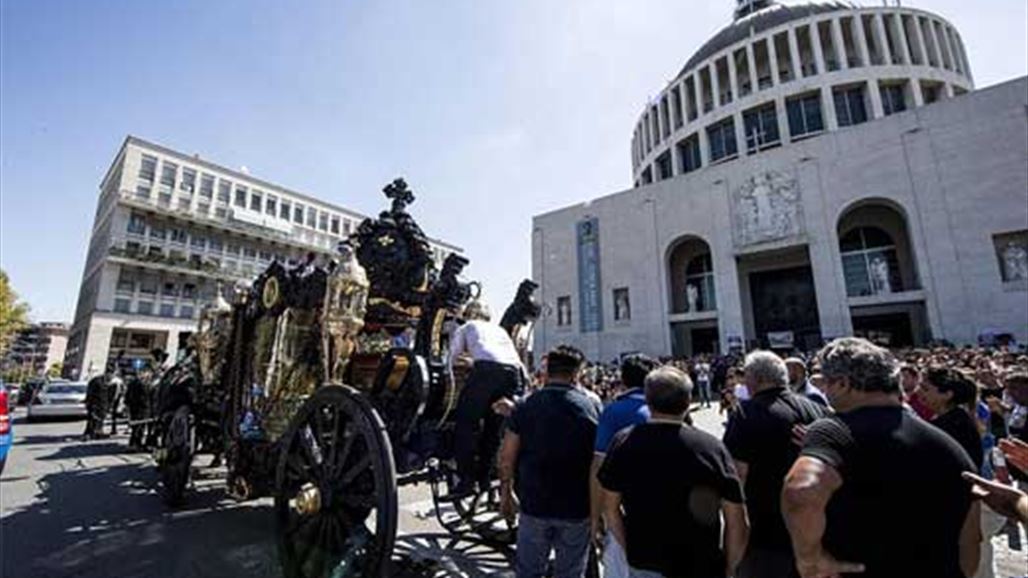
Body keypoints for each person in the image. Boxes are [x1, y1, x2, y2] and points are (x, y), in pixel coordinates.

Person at [782, 337, 981, 578]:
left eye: (827, 383)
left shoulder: (832, 431)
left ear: (843, 384)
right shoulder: (947, 446)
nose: (824, 391)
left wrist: (810, 560)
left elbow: (801, 490)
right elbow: (970, 538)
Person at [598, 366, 748, 577]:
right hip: (701, 564)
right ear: (688, 402)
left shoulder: (623, 442)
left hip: (645, 562)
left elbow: (609, 507)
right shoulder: (711, 447)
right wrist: (731, 567)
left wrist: (629, 548)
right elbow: (736, 518)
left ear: (648, 402)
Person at [498, 345, 601, 578]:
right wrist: (599, 511)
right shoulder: (592, 407)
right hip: (576, 508)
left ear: (546, 372)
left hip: (534, 503)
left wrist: (506, 493)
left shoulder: (526, 405)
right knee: (571, 573)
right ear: (577, 374)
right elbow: (598, 462)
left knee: (529, 572)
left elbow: (507, 457)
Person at [724, 351, 829, 578]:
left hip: (768, 533)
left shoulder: (745, 413)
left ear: (756, 379)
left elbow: (736, 475)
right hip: (817, 526)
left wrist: (734, 532)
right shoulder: (816, 409)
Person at [590, 354, 659, 577]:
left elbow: (598, 467)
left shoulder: (614, 411)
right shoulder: (669, 407)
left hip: (625, 512)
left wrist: (595, 517)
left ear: (623, 379)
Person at [449, 300, 525, 496]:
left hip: (486, 372)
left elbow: (453, 355)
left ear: (468, 314)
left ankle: (466, 479)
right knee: (493, 429)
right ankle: (484, 478)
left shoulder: (467, 326)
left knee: (466, 424)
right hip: (513, 373)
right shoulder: (499, 331)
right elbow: (515, 359)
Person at [920, 367, 984, 470]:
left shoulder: (953, 425)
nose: (919, 392)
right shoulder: (952, 418)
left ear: (947, 395)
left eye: (925, 389)